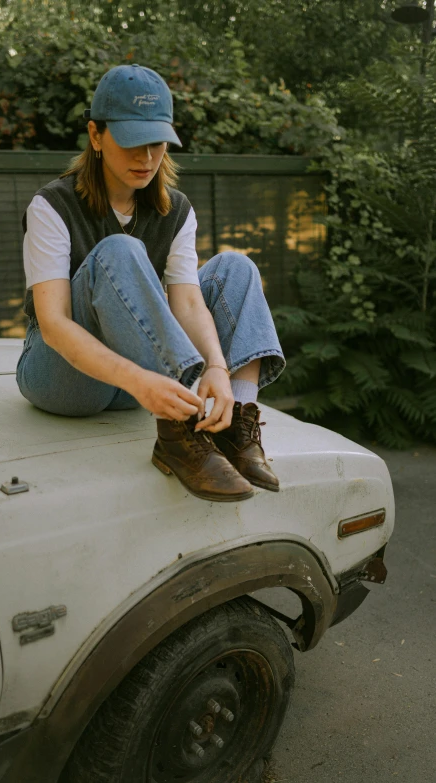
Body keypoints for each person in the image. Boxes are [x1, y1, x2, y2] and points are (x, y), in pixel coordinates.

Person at [16, 63, 285, 503]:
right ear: (96, 135)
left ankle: (233, 423)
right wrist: (141, 382)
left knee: (236, 269)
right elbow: (53, 324)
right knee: (120, 250)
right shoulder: (52, 206)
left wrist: (216, 368)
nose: (145, 159)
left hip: (143, 386)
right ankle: (177, 437)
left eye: (156, 144)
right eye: (131, 143)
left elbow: (190, 304)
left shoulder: (176, 210)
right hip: (64, 379)